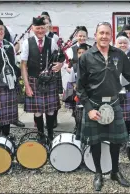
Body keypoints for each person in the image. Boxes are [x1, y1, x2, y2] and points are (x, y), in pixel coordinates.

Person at [76, 22, 130, 191]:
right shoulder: (86, 57)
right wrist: (89, 108)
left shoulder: (119, 55)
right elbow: (79, 86)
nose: (104, 36)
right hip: (94, 104)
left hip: (113, 102)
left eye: (107, 33)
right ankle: (98, 173)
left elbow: (128, 75)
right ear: (96, 34)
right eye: (101, 33)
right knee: (96, 141)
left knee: (116, 140)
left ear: (111, 35)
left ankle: (115, 171)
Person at [21, 17, 64, 141]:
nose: (40, 30)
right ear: (33, 28)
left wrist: (60, 65)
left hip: (49, 80)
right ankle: (41, 135)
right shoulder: (27, 42)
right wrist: (27, 86)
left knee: (50, 111)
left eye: (42, 28)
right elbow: (23, 65)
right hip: (34, 80)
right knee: (38, 112)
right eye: (37, 28)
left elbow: (59, 58)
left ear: (46, 28)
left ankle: (50, 134)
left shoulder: (52, 41)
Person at [66, 43, 89, 137]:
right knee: (78, 116)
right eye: (79, 52)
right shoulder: (74, 67)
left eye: (84, 52)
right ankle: (78, 130)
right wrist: (75, 85)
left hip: (90, 95)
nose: (82, 54)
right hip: (79, 96)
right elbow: (71, 82)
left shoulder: (94, 65)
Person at [115, 31, 130, 135]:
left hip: (128, 90)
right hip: (114, 90)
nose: (122, 45)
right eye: (120, 43)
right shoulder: (110, 55)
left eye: (125, 43)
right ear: (116, 44)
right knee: (116, 116)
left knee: (128, 117)